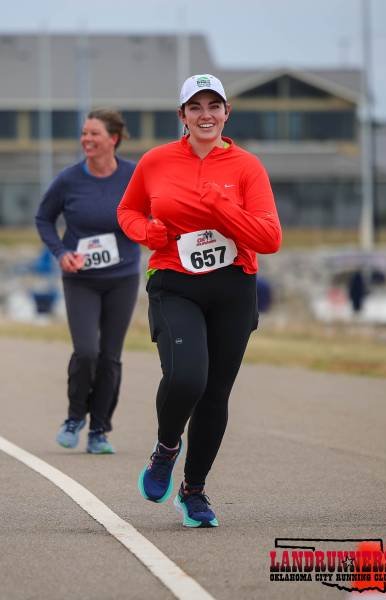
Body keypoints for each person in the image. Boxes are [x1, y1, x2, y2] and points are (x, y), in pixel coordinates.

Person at [117, 74, 281, 527]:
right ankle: (166, 448)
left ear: (227, 113)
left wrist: (221, 208)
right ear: (182, 115)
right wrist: (146, 232)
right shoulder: (155, 161)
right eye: (196, 107)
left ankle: (193, 491)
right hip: (175, 282)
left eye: (214, 106)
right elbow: (127, 210)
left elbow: (269, 238)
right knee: (187, 377)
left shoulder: (247, 167)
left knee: (215, 393)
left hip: (233, 286)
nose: (205, 114)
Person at [36, 109, 140, 454]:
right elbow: (44, 218)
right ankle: (74, 416)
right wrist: (60, 252)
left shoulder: (134, 176)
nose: (86, 139)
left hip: (122, 277)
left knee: (110, 356)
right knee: (86, 352)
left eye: (94, 134)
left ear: (113, 139)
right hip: (80, 279)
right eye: (84, 133)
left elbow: (152, 212)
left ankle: (99, 430)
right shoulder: (68, 180)